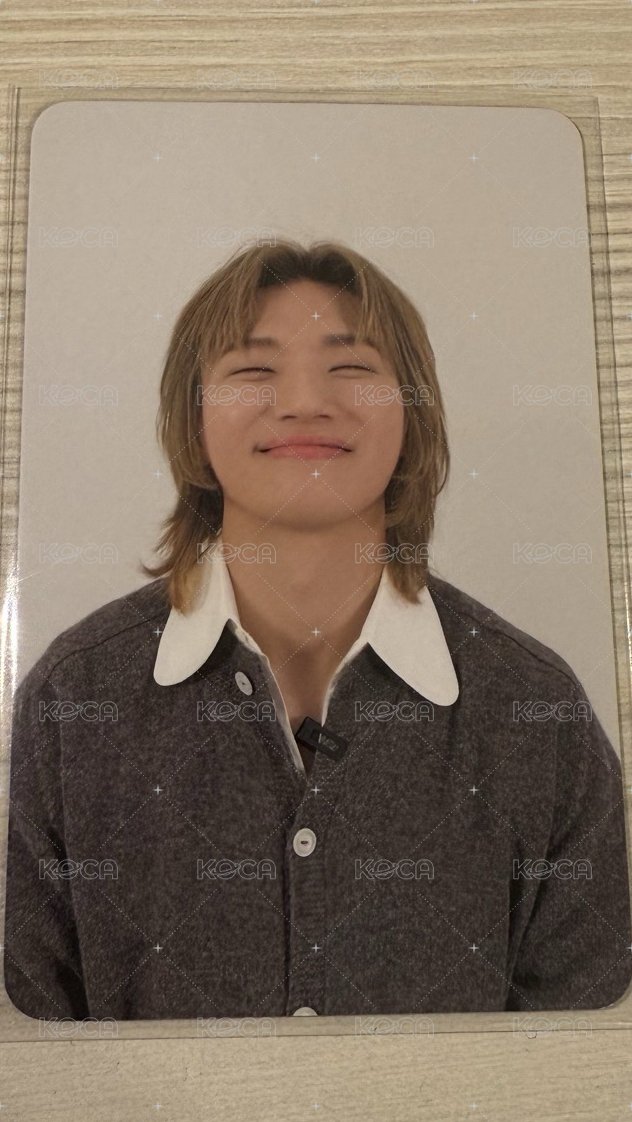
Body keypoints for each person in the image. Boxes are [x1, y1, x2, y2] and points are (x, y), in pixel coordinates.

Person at [4, 238, 632, 1020]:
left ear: (412, 414)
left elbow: (587, 1059)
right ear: (193, 418)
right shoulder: (72, 702)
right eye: (253, 369)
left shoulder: (538, 716)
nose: (304, 401)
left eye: (351, 366)